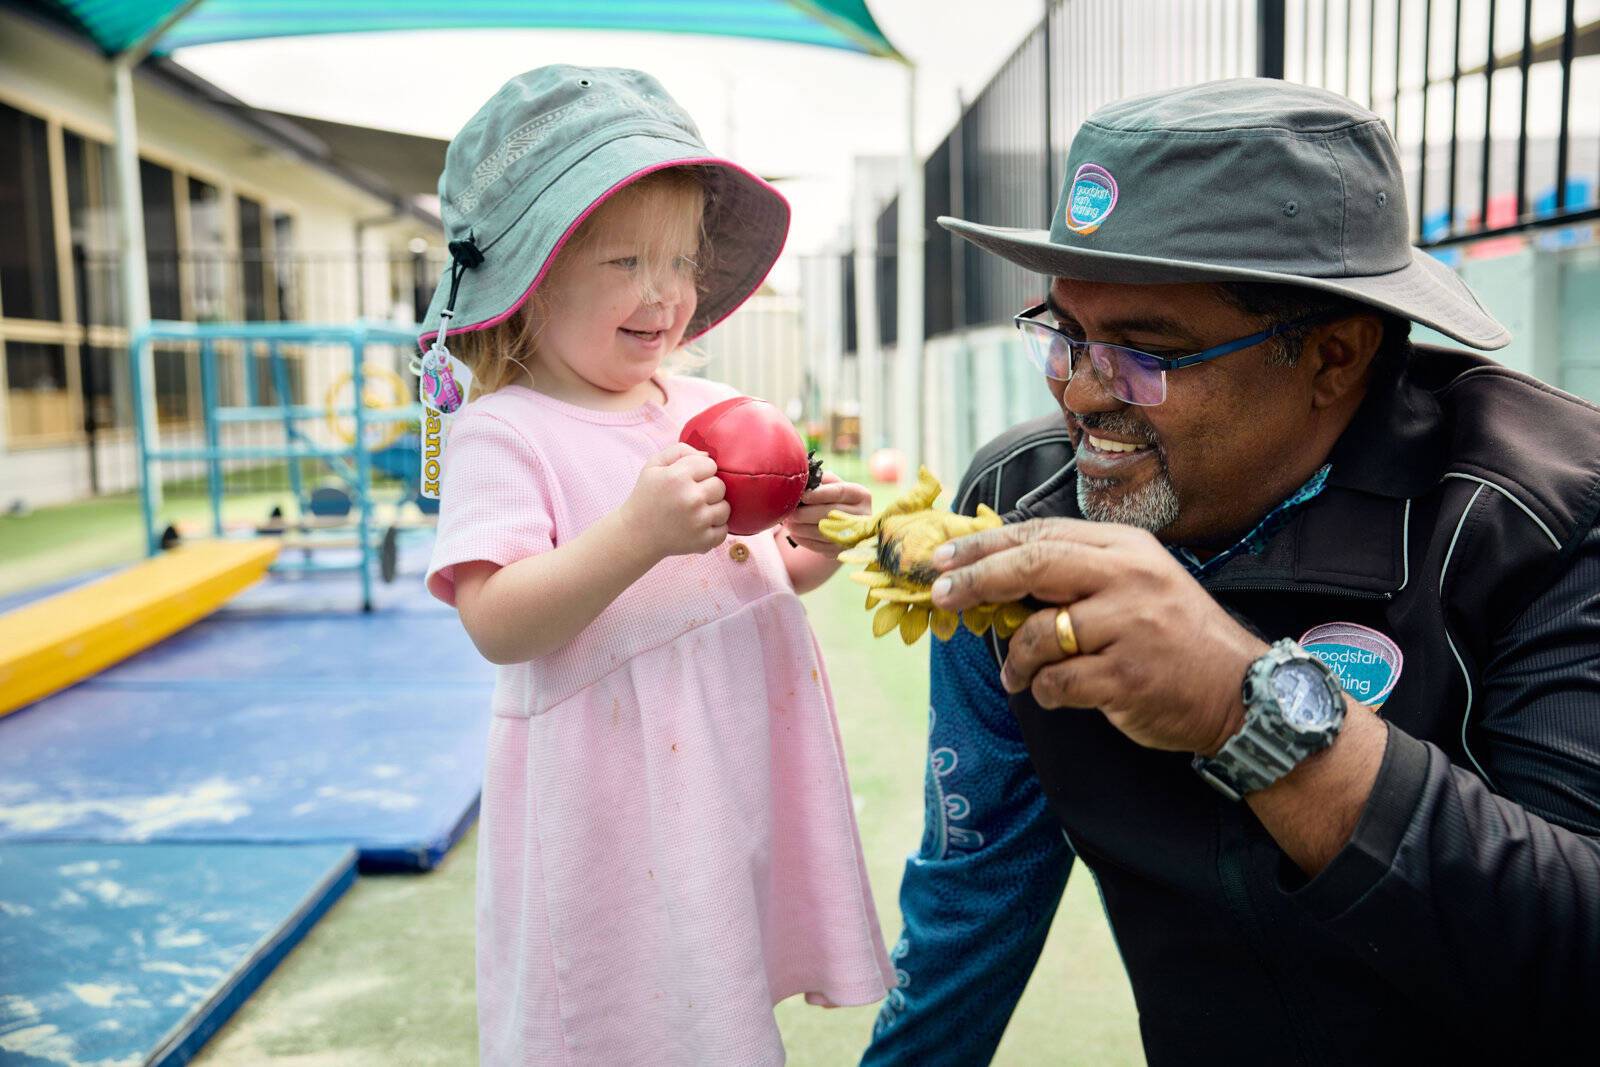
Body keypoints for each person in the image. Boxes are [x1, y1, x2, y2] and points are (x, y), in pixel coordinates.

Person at [867, 78, 1600, 1065]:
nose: (1079, 393)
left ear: (1335, 355)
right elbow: (975, 885)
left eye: (1144, 352)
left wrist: (1246, 709)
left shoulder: (1543, 521)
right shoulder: (1019, 503)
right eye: (1064, 333)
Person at [420, 66, 893, 1066]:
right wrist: (635, 534)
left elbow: (750, 579)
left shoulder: (709, 408)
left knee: (718, 986)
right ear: (533, 279)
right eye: (626, 260)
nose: (665, 292)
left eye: (679, 261)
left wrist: (809, 546)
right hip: (614, 803)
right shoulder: (507, 433)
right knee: (631, 1013)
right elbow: (496, 619)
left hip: (728, 768)